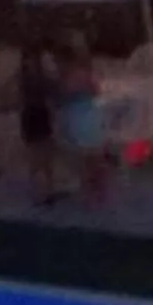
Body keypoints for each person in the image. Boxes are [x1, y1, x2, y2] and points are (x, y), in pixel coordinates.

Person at [56, 37, 109, 210]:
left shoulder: (65, 76)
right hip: (88, 116)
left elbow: (62, 100)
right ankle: (99, 193)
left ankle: (91, 195)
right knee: (95, 158)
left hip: (76, 117)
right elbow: (97, 92)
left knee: (84, 160)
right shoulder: (85, 74)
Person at [15, 38, 60, 204]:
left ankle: (45, 190)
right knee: (39, 155)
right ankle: (43, 191)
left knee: (42, 155)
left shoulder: (29, 75)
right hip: (35, 113)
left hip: (35, 113)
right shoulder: (32, 76)